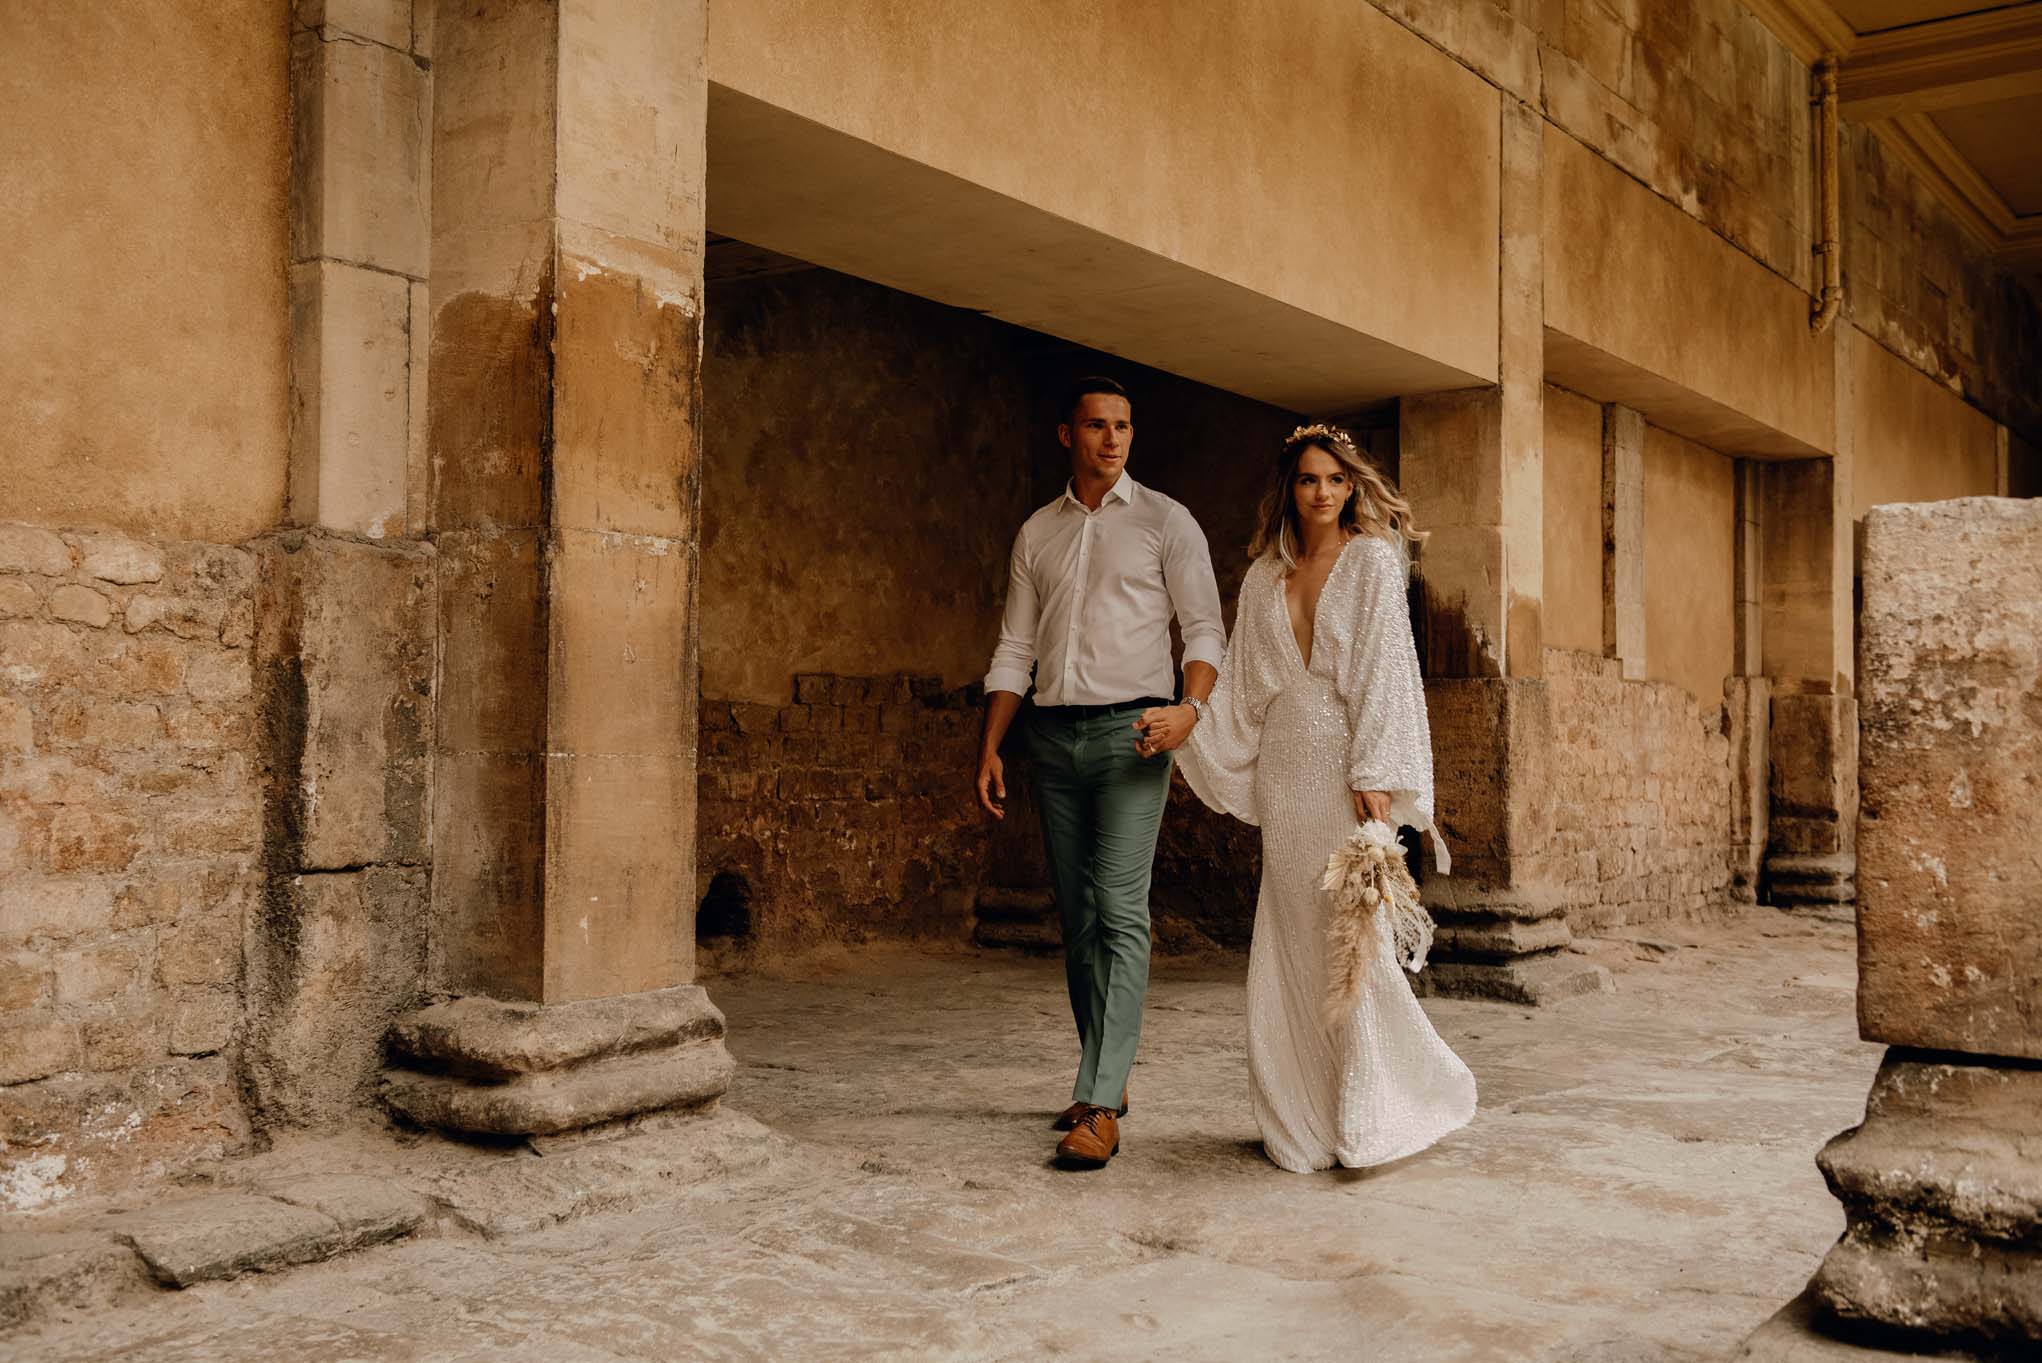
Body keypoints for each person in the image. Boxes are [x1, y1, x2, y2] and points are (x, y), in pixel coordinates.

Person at [1167, 423, 1476, 1173]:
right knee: (1290, 930)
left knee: (1350, 936)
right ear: (1291, 487)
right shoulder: (1265, 575)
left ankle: (1373, 1101)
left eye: (1336, 479)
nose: (1324, 492)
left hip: (1343, 763)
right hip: (1284, 767)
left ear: (1352, 485)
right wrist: (1191, 723)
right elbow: (1241, 684)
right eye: (1310, 479)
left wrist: (1374, 765)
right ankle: (1300, 1114)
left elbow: (1384, 667)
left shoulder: (1370, 560)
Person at [976, 376, 1225, 1169]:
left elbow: (1206, 628)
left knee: (1120, 911)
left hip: (1134, 737)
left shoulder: (1166, 522)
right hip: (1051, 738)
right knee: (1078, 919)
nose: (1112, 439)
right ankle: (1099, 1078)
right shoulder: (1036, 534)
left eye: (1122, 426)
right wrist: (991, 744)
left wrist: (1189, 709)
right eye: (1096, 426)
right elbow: (1017, 646)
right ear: (1066, 435)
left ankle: (1104, 1099)